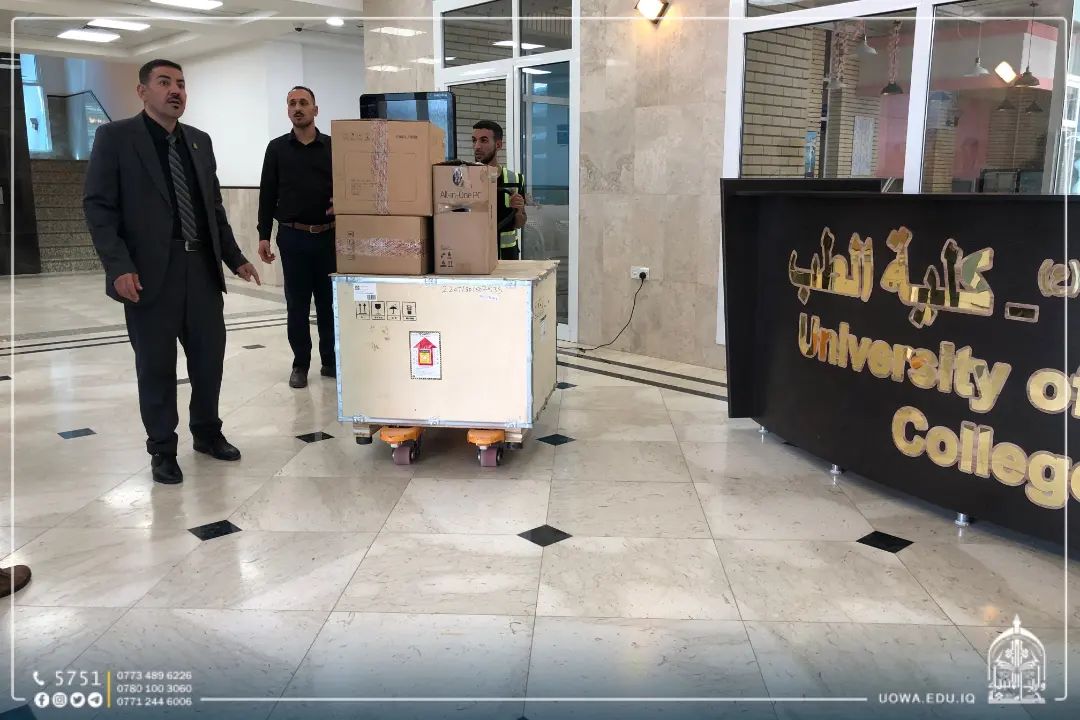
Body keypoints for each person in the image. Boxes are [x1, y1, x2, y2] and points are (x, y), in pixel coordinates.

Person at [84, 59, 261, 486]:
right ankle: (162, 448)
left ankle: (207, 432)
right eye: (164, 82)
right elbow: (99, 207)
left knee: (209, 360)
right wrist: (118, 266)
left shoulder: (198, 141)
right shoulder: (116, 138)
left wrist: (234, 257)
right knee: (156, 366)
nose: (175, 90)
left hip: (200, 270)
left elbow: (212, 208)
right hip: (148, 276)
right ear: (142, 91)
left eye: (180, 83)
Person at [257, 86, 336, 389]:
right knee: (297, 305)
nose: (298, 108)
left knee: (329, 304)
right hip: (293, 237)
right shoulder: (276, 149)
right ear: (288, 110)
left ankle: (330, 361)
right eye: (292, 103)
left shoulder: (332, 147)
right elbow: (267, 194)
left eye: (304, 102)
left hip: (329, 238)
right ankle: (300, 364)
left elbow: (350, 186)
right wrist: (264, 235)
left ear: (316, 110)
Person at [471, 120, 527, 260]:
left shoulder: (515, 179)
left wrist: (519, 210)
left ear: (498, 145)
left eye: (483, 140)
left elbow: (519, 224)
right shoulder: (465, 179)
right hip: (476, 254)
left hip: (508, 257)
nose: (477, 146)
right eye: (474, 140)